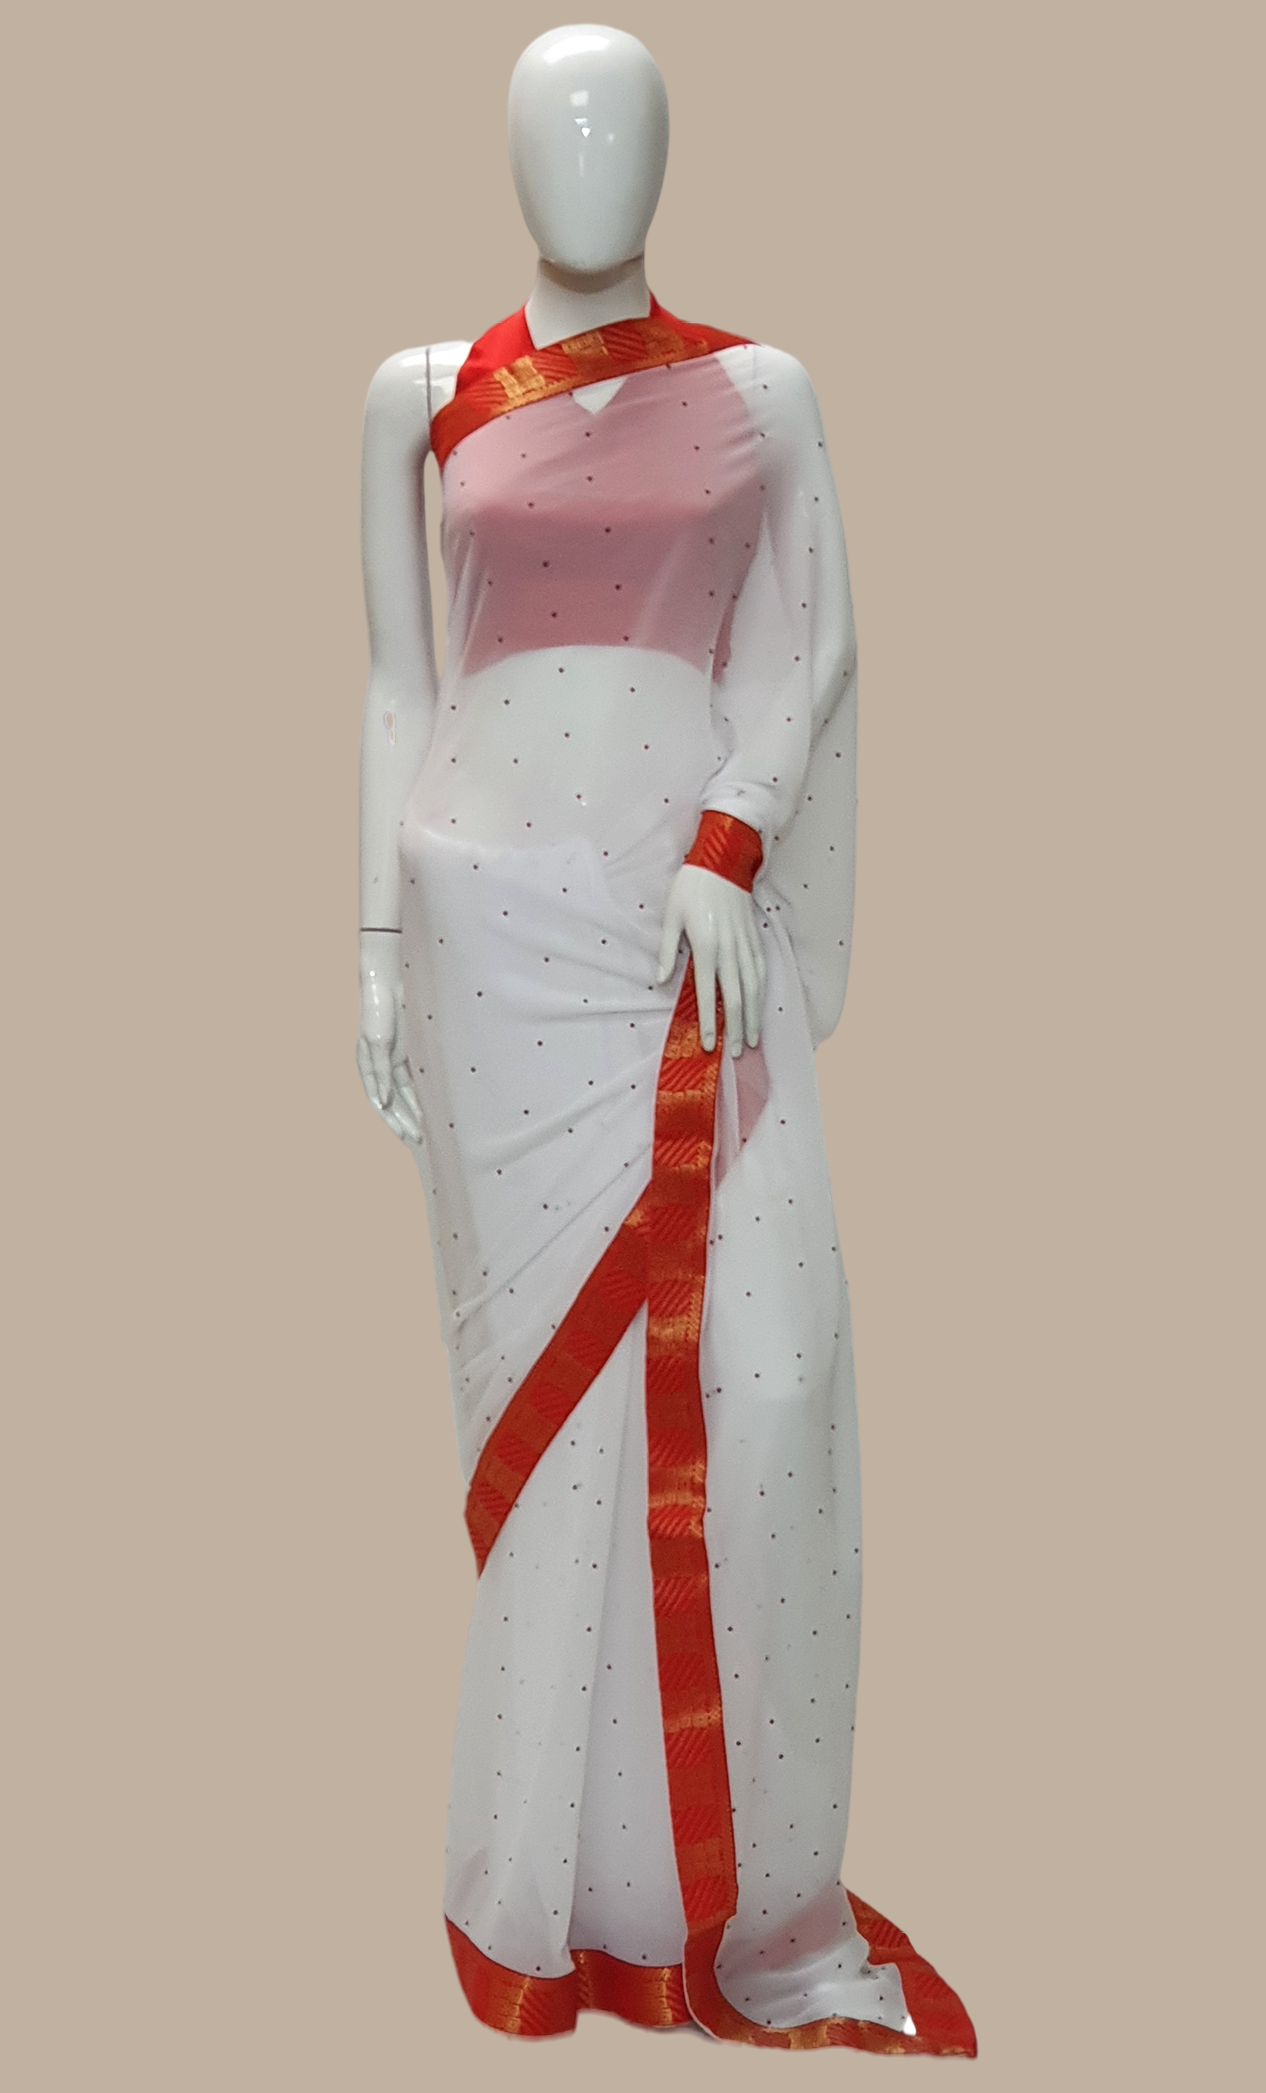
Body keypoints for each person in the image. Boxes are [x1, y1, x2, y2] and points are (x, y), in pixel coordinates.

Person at [356, 22, 974, 2055]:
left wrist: (732, 834)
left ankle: (752, 1896)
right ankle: (576, 1895)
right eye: (553, 125)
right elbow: (394, 684)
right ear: (505, 157)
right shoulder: (420, 392)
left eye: (621, 124)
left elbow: (818, 639)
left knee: (766, 1372)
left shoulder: (760, 386)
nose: (588, 155)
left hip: (686, 921)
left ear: (668, 157)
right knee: (557, 1424)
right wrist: (373, 940)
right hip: (487, 936)